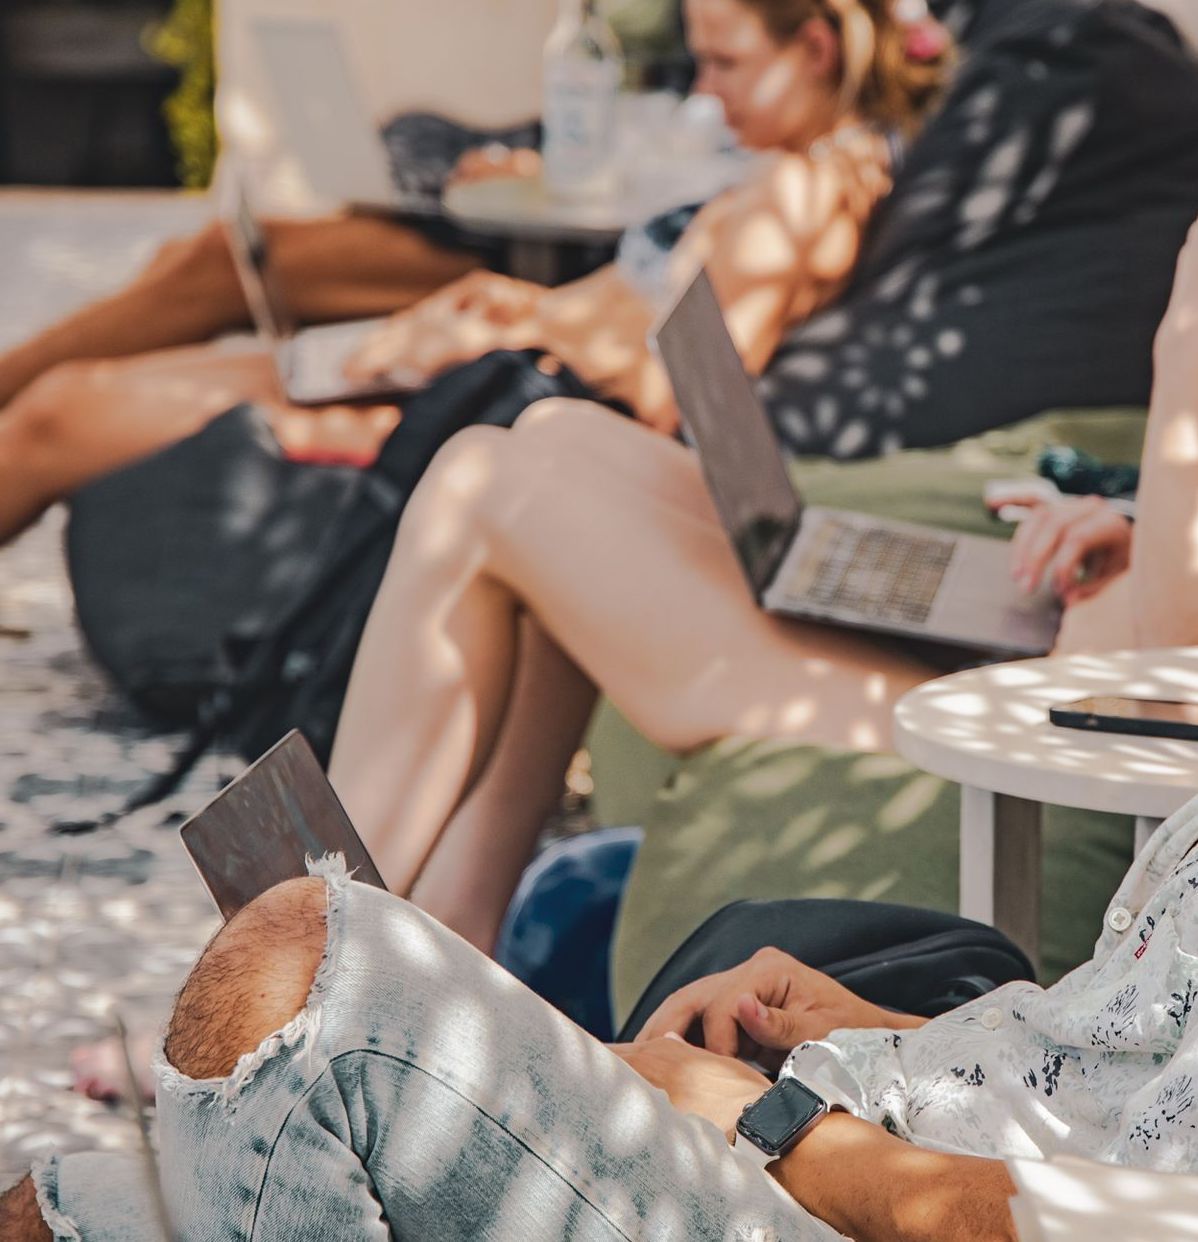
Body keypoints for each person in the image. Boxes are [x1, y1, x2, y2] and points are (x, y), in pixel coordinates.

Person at [324, 176, 1198, 962]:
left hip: (1041, 728)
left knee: (483, 484)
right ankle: (443, 939)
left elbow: (1171, 672)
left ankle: (304, 955)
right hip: (1038, 651)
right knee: (559, 433)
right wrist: (1121, 522)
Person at [12, 778, 1198, 1239]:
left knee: (307, 959)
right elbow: (1127, 1052)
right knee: (66, 1209)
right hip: (862, 1135)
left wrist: (775, 1124)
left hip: (853, 1200)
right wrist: (879, 1031)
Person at [0, 0, 949, 545]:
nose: (706, 89)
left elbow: (674, 394)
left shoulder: (795, 199)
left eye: (726, 63)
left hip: (481, 410)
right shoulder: (775, 174)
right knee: (72, 396)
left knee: (64, 410)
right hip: (464, 373)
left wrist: (523, 321)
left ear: (816, 49)